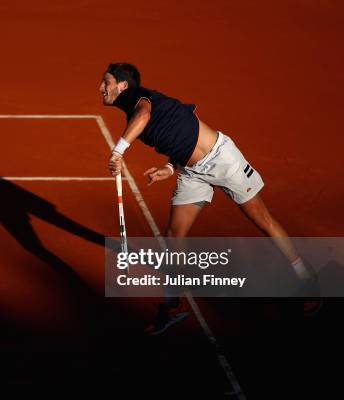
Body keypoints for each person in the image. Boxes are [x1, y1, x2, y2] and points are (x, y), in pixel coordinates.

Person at [100, 63, 321, 334]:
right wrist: (169, 168)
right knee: (174, 234)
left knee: (262, 220)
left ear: (123, 85)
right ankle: (173, 305)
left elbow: (144, 116)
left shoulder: (139, 99)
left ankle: (305, 278)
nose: (102, 88)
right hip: (191, 171)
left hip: (223, 161)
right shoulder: (138, 109)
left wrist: (118, 150)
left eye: (106, 81)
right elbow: (181, 135)